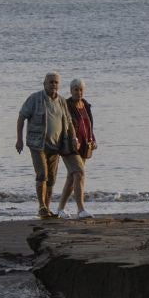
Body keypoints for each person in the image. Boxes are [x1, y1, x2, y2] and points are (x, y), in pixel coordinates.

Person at [15, 71, 74, 219]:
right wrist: (19, 139)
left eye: (56, 82)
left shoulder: (61, 101)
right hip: (37, 144)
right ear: (44, 84)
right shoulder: (35, 99)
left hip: (56, 146)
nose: (53, 84)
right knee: (42, 174)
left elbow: (69, 121)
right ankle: (41, 207)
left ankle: (47, 208)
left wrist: (73, 138)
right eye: (51, 82)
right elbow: (21, 117)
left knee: (52, 178)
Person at [57, 78, 95, 217]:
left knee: (73, 177)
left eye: (81, 90)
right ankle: (81, 210)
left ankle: (60, 209)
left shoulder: (85, 105)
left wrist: (93, 139)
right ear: (71, 91)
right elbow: (64, 124)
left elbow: (89, 124)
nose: (79, 92)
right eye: (76, 90)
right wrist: (72, 138)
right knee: (79, 173)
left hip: (84, 146)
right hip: (69, 146)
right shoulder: (66, 105)